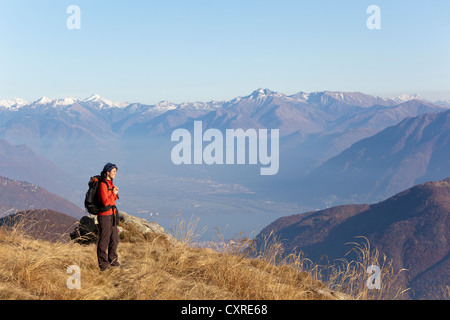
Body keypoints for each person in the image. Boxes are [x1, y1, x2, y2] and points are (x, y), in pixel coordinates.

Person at [97, 162, 120, 271]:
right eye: (114, 171)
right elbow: (105, 202)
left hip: (112, 214)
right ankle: (103, 265)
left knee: (114, 238)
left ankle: (113, 262)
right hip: (104, 216)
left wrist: (114, 194)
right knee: (104, 240)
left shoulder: (110, 183)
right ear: (108, 172)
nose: (115, 173)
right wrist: (114, 194)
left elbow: (111, 201)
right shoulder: (102, 184)